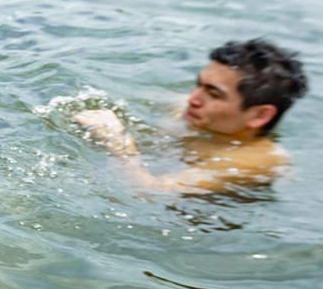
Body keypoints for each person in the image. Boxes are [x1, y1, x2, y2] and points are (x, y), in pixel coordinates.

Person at [75, 38, 308, 193]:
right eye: (199, 85)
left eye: (214, 94)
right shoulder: (191, 111)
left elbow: (150, 193)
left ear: (259, 116)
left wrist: (119, 144)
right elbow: (123, 96)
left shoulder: (259, 161)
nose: (193, 99)